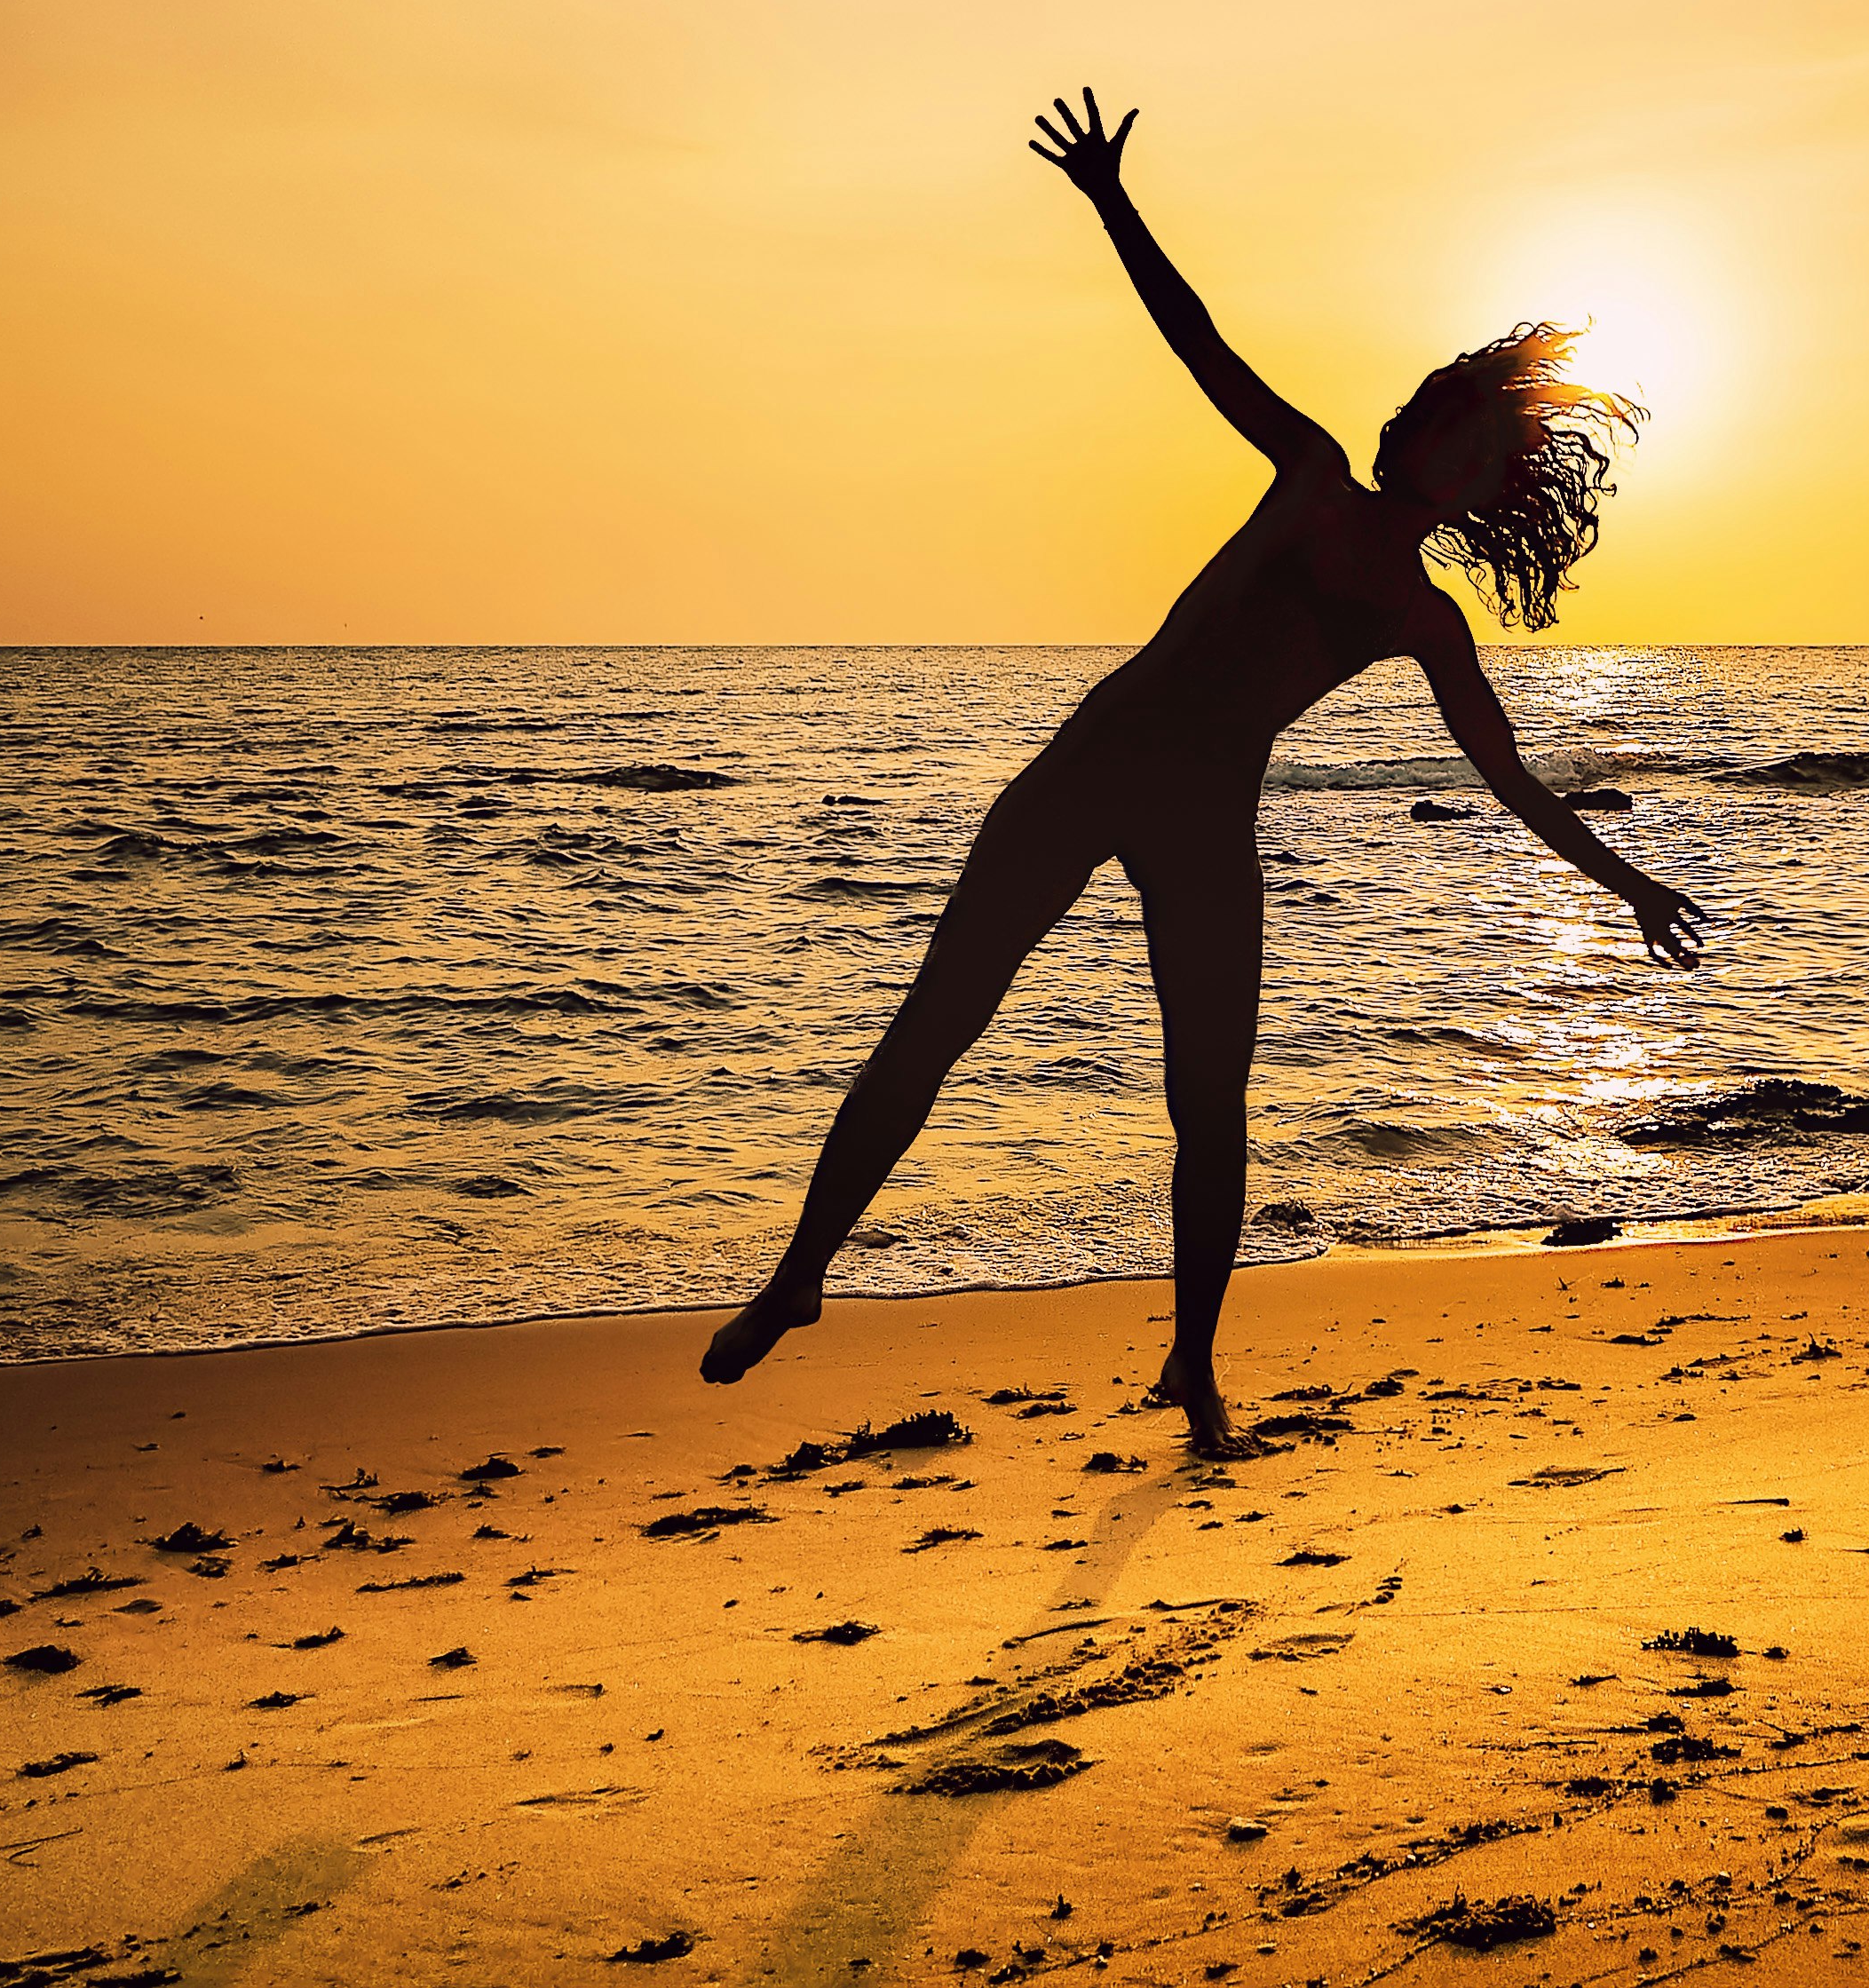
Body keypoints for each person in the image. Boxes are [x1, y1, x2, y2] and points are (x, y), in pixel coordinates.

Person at [701, 91, 1705, 1449]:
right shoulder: (1304, 473)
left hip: (1203, 824)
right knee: (935, 1025)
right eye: (1427, 401)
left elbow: (1511, 779)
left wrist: (1626, 879)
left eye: (1459, 427)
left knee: (1207, 1104)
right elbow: (1199, 343)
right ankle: (799, 1276)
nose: (1422, 422)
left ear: (1474, 481)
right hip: (1088, 768)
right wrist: (1112, 199)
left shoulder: (1422, 617)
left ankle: (1194, 1363)